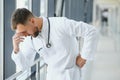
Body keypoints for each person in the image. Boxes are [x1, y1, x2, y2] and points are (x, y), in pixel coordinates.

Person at [11, 8, 98, 80]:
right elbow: (25, 66)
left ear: (32, 21)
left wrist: (84, 57)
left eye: (24, 31)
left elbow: (91, 31)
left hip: (72, 75)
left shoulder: (60, 23)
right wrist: (16, 49)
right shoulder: (30, 39)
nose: (25, 35)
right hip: (52, 76)